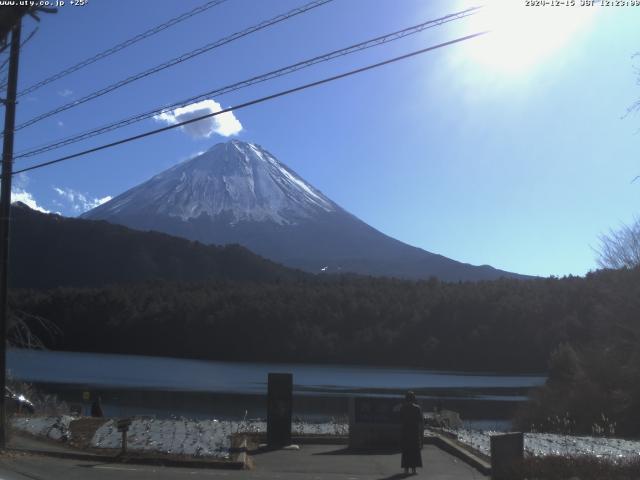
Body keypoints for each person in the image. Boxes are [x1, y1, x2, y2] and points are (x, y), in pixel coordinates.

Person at [400, 391, 423, 475]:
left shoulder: (403, 408)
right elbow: (420, 420)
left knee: (406, 450)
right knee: (414, 450)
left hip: (405, 431)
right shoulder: (417, 408)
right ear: (414, 398)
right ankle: (414, 469)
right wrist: (421, 434)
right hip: (414, 431)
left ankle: (406, 469)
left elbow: (400, 419)